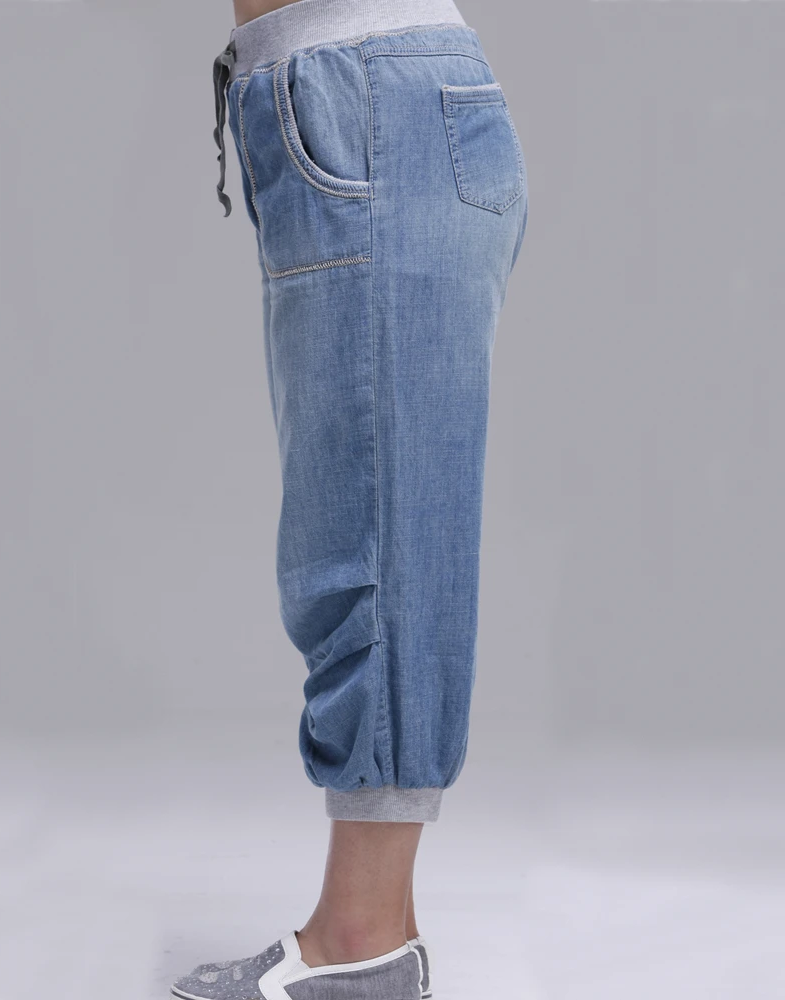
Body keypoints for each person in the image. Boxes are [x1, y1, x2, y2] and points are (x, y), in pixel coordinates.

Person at [172, 1, 528, 997]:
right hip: (342, 98)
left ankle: (357, 941)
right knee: (364, 529)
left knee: (375, 549)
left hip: (366, 103)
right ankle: (380, 935)